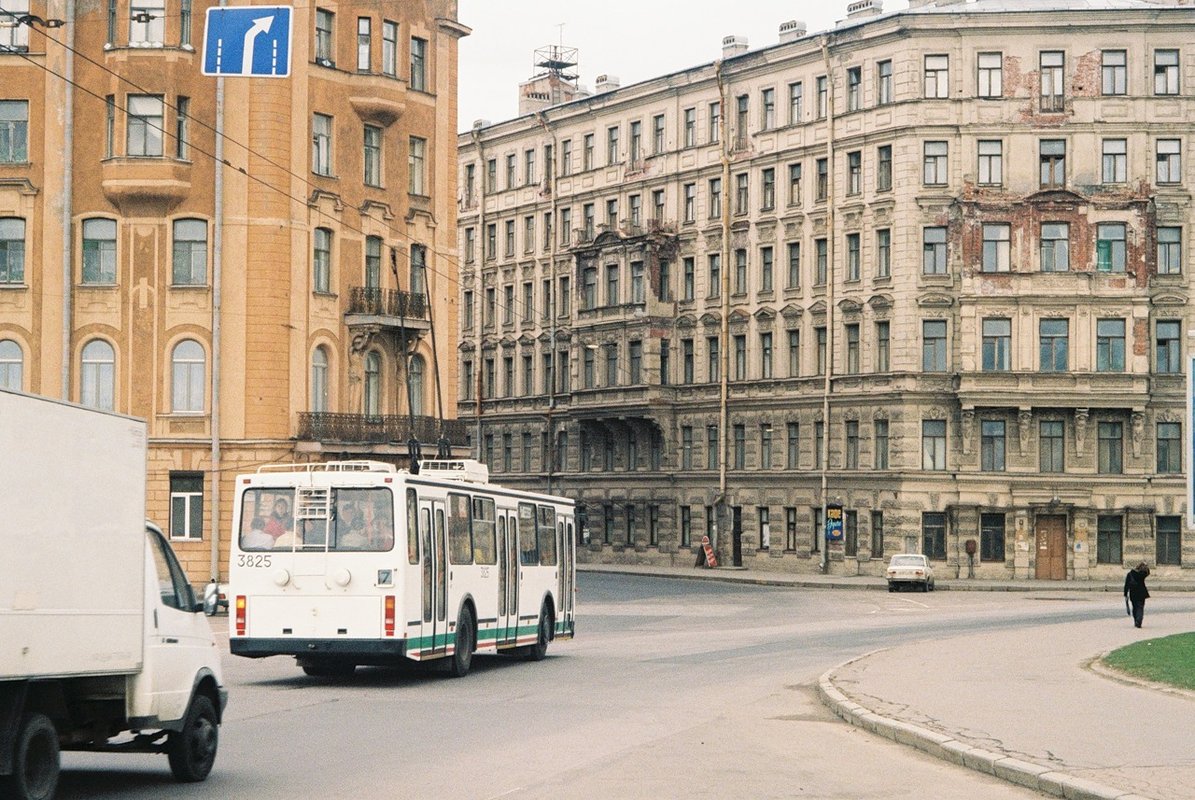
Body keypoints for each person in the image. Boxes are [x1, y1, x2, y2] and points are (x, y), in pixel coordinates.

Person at [1124, 562, 1151, 628]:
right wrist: (1145, 566)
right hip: (1141, 593)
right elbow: (1148, 572)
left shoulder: (1130, 574)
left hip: (1133, 593)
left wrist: (1125, 594)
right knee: (1140, 607)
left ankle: (1136, 620)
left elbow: (1126, 585)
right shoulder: (1142, 574)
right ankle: (1139, 621)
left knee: (1135, 607)